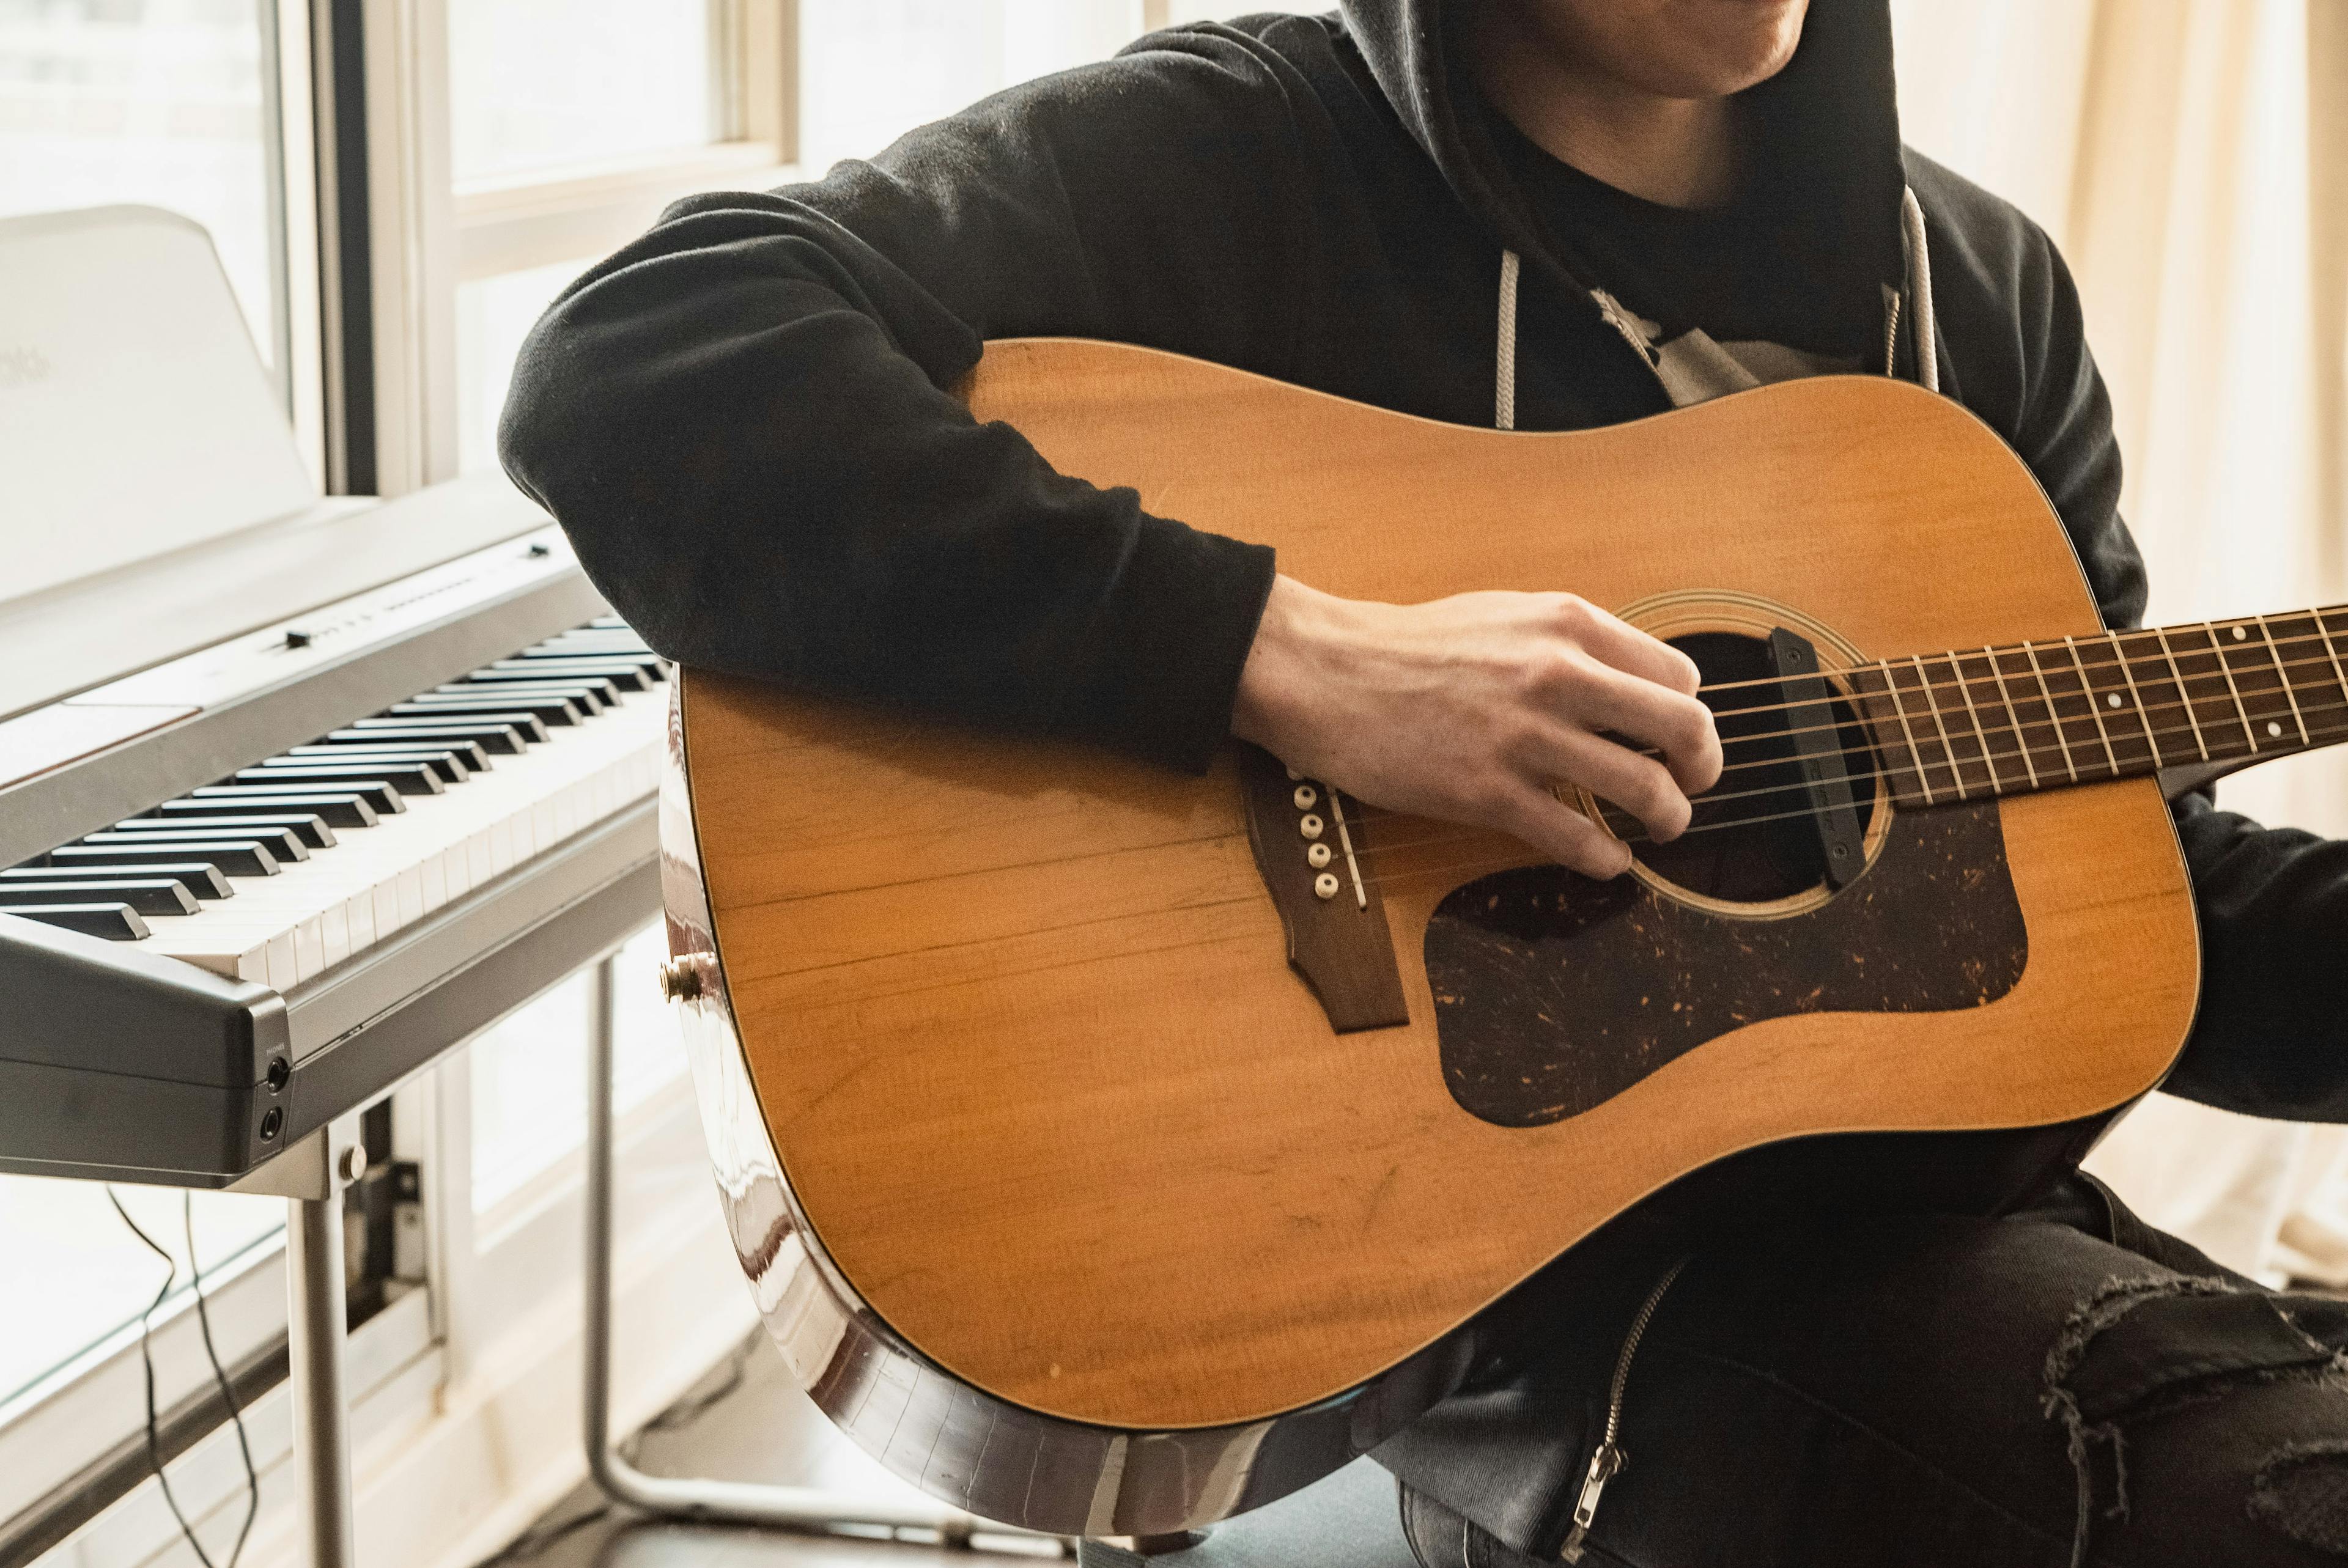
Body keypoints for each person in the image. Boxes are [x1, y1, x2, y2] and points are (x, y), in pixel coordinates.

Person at [500, 2, 2348, 1562]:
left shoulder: (1978, 296)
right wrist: (1297, 662)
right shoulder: (1238, 165)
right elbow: (638, 361)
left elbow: (2128, 887)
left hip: (1939, 1250)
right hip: (1524, 1345)